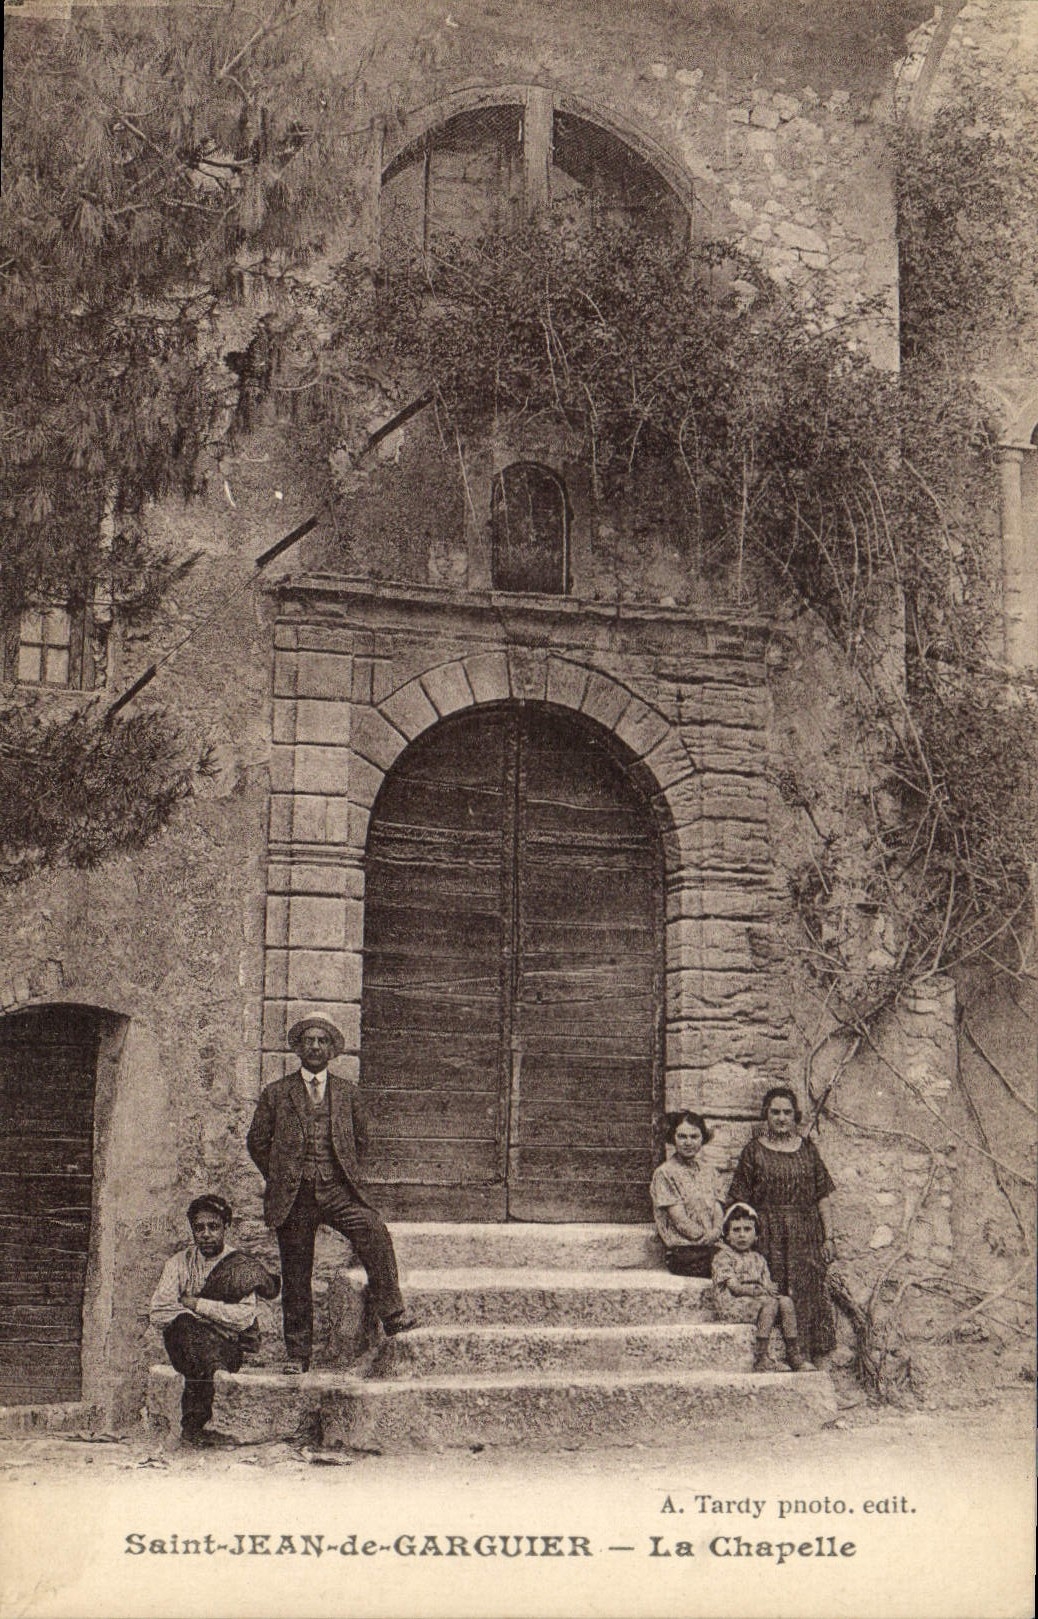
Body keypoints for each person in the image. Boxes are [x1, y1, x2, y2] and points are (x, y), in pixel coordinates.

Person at [246, 1016, 416, 1372]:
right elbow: (257, 1142)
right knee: (296, 1273)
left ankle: (393, 1314)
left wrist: (343, 1174)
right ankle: (297, 1355)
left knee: (373, 1229)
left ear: (333, 1050)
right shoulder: (276, 1093)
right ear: (298, 1048)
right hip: (295, 1197)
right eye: (308, 1040)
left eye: (323, 1041)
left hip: (336, 1191)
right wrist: (282, 1177)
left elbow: (362, 1140)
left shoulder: (348, 1093)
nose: (315, 1047)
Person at [149, 1194, 280, 1447]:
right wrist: (208, 1321)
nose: (206, 1234)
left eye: (214, 1227)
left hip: (226, 1350)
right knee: (184, 1329)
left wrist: (196, 1304)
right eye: (199, 1228)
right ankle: (200, 1423)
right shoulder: (179, 1263)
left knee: (194, 1343)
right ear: (193, 1231)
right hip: (187, 1343)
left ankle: (195, 1426)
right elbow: (159, 1311)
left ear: (226, 1228)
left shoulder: (241, 1267)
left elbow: (243, 1318)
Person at [726, 1085, 837, 1363]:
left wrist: (829, 1237)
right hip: (768, 1234)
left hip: (805, 1233)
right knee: (773, 1292)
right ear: (766, 1115)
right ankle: (771, 1356)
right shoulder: (753, 1151)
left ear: (795, 1116)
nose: (781, 1118)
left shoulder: (807, 1150)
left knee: (806, 1292)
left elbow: (822, 1196)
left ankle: (805, 1356)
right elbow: (739, 1201)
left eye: (787, 1112)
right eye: (775, 1112)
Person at [710, 1202, 815, 1372]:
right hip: (733, 1303)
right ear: (727, 1235)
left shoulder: (758, 1258)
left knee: (786, 1302)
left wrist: (770, 1289)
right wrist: (758, 1291)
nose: (742, 1235)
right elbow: (734, 1287)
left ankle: (793, 1352)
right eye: (736, 1230)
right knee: (770, 1303)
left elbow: (767, 1284)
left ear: (756, 1235)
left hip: (757, 1299)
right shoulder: (723, 1257)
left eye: (747, 1229)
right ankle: (761, 1356)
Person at [649, 1110, 725, 1277]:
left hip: (711, 1245)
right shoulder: (665, 1173)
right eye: (682, 1136)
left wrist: (717, 1230)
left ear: (702, 1139)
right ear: (673, 1138)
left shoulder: (710, 1171)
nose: (688, 1142)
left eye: (694, 1137)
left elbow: (718, 1206)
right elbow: (680, 1221)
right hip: (685, 1251)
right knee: (733, 1271)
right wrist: (708, 1237)